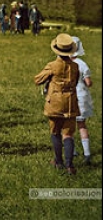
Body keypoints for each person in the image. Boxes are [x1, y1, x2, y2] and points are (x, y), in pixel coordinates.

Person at [34, 33, 80, 175]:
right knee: (68, 134)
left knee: (55, 132)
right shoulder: (75, 66)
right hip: (71, 102)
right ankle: (69, 165)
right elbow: (76, 81)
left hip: (55, 102)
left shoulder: (52, 65)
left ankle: (58, 161)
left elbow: (37, 80)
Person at [71, 36, 93, 166]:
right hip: (81, 97)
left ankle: (72, 151)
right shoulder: (82, 63)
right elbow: (88, 82)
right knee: (82, 125)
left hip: (68, 97)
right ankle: (87, 153)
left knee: (69, 127)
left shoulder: (62, 62)